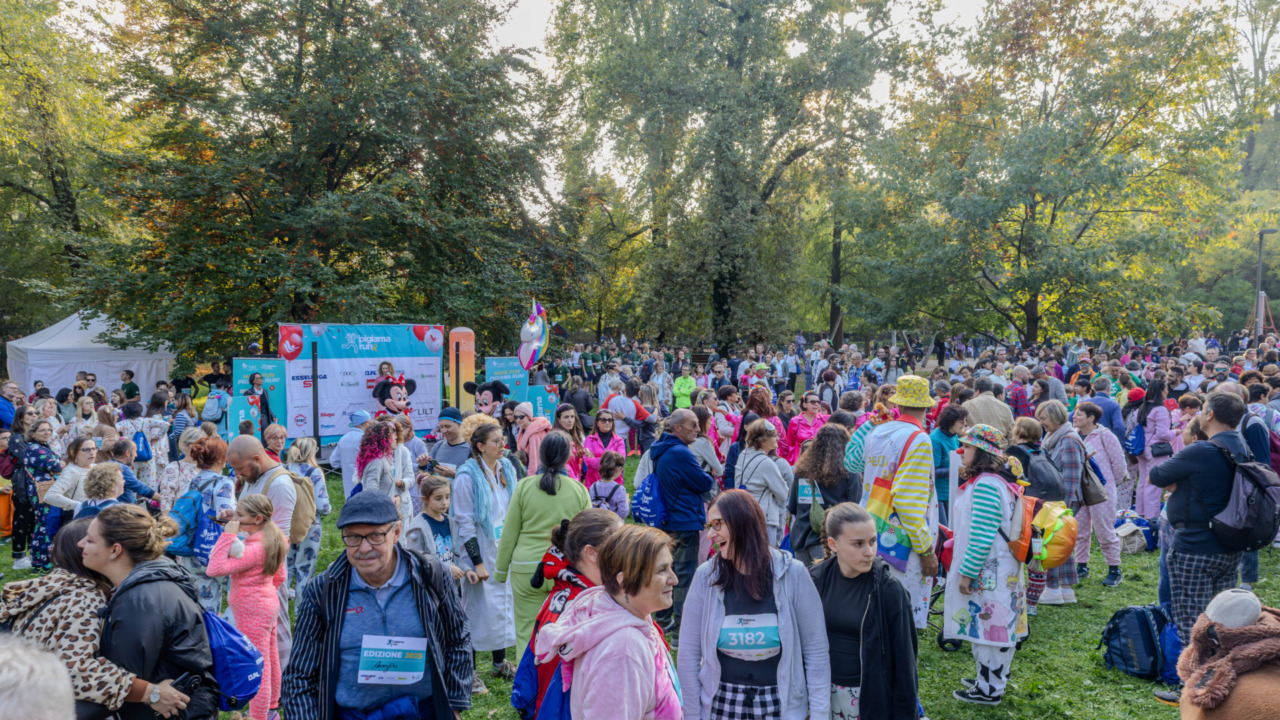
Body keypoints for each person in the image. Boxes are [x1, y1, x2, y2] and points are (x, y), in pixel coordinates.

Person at [281, 491, 474, 720]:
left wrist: (454, 705)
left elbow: (458, 639)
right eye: (352, 537)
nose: (363, 548)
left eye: (375, 536)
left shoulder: (431, 577)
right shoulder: (323, 591)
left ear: (397, 533)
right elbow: (299, 675)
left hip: (422, 713)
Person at [0, 518, 191, 716]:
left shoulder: (47, 585)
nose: (86, 544)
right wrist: (152, 693)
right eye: (88, 541)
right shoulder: (84, 598)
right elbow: (76, 672)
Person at [678, 489, 831, 719]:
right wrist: (692, 714)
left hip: (778, 704)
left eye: (717, 524)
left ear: (743, 522)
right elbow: (688, 654)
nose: (710, 534)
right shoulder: (706, 576)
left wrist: (819, 714)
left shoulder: (793, 574)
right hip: (722, 705)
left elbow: (816, 652)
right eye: (709, 526)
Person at [1149, 390, 1250, 706]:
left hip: (1195, 547)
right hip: (1229, 544)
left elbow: (1156, 474)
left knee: (1194, 622)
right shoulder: (1242, 446)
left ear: (1208, 415)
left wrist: (1184, 478)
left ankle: (1193, 689)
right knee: (1220, 618)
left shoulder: (1203, 450)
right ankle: (1221, 680)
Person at [78, 504, 219, 719]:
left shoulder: (139, 602)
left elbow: (122, 682)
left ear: (115, 550)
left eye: (89, 540)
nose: (81, 544)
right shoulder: (152, 578)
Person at [534, 524, 681, 720]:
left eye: (670, 567)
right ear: (624, 580)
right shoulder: (623, 651)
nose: (674, 579)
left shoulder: (624, 612)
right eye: (661, 570)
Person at [944, 424, 1027, 706]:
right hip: (997, 569)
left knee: (990, 630)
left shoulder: (987, 486)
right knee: (995, 626)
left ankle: (989, 689)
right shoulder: (993, 481)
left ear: (981, 451)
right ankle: (990, 678)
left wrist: (967, 573)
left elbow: (982, 535)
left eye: (967, 446)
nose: (961, 450)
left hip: (988, 569)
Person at [512, 508, 623, 717]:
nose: (627, 553)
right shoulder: (585, 610)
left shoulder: (566, 588)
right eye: (619, 545)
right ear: (592, 553)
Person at [811, 503, 918, 719]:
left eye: (872, 541)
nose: (869, 552)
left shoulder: (889, 591)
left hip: (870, 697)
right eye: (858, 544)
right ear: (833, 544)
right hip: (821, 695)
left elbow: (906, 665)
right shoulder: (814, 580)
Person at [495, 431, 591, 655]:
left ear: (540, 454)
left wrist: (500, 571)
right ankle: (556, 686)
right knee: (565, 632)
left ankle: (526, 687)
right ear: (567, 457)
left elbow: (509, 533)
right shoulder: (579, 489)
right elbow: (588, 535)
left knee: (527, 634)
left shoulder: (524, 487)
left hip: (525, 569)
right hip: (565, 569)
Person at [858, 375, 940, 629]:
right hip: (901, 540)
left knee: (876, 611)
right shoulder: (918, 438)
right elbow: (907, 499)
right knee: (899, 619)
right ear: (926, 408)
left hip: (870, 527)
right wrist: (926, 549)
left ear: (899, 404)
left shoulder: (878, 431)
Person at [206, 495, 287, 720]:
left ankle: (258, 716)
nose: (237, 519)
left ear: (258, 518)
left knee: (258, 666)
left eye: (241, 516)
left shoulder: (253, 549)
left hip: (252, 612)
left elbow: (214, 568)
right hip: (268, 605)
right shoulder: (274, 537)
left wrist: (229, 534)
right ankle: (271, 709)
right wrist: (264, 589)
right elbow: (280, 575)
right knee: (270, 658)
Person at [452, 423, 518, 692]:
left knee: (500, 607)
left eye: (503, 439)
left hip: (503, 548)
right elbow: (465, 524)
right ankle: (469, 672)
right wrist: (477, 563)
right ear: (480, 446)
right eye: (496, 441)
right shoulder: (467, 477)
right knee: (477, 610)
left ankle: (499, 663)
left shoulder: (507, 469)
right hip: (478, 550)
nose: (502, 445)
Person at [227, 435, 297, 668]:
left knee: (276, 628)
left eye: (240, 468)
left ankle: (284, 681)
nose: (238, 474)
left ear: (257, 458)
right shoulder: (253, 476)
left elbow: (280, 540)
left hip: (267, 572)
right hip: (250, 569)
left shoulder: (279, 484)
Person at [649, 408, 716, 644]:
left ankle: (664, 620)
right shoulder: (680, 452)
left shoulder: (662, 448)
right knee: (683, 576)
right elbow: (703, 481)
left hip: (668, 518)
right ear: (677, 428)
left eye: (698, 423)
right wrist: (706, 475)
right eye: (693, 424)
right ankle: (680, 632)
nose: (698, 428)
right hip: (684, 520)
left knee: (665, 572)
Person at [172, 437, 236, 613]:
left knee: (205, 605)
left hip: (194, 552)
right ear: (221, 458)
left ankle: (208, 637)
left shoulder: (190, 484)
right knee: (236, 597)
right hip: (216, 551)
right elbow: (225, 517)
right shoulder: (222, 482)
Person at [787, 425, 860, 565]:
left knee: (805, 585)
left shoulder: (802, 470)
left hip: (799, 539)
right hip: (828, 541)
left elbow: (792, 507)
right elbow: (854, 509)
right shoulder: (849, 471)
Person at [1034, 400, 1083, 605]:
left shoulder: (1068, 440)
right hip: (1059, 502)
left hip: (1062, 502)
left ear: (1055, 417)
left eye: (1043, 418)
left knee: (1052, 543)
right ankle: (1065, 588)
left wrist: (1061, 508)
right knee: (1062, 544)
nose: (1041, 422)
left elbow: (1072, 477)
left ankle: (1053, 589)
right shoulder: (1056, 437)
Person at [1072, 402, 1125, 587]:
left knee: (1105, 530)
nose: (1074, 416)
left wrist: (1109, 484)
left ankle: (1114, 569)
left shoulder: (1105, 435)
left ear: (1091, 418)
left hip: (1102, 492)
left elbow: (1119, 465)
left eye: (1078, 414)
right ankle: (1081, 566)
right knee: (1080, 530)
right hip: (1079, 491)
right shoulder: (1073, 435)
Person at [284, 436, 332, 597]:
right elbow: (322, 505)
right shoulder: (314, 472)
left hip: (286, 524)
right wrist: (328, 509)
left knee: (286, 568)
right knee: (304, 569)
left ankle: (279, 612)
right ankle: (301, 613)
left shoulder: (283, 469)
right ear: (311, 452)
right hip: (310, 525)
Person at [736, 419, 793, 546]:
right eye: (774, 435)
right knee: (765, 560)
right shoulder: (766, 463)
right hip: (764, 519)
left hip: (743, 514)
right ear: (763, 440)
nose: (777, 438)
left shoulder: (742, 456)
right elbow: (783, 494)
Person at [25, 418, 64, 571]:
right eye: (42, 430)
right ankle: (46, 562)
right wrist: (63, 463)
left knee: (42, 524)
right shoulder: (35, 448)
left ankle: (40, 561)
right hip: (43, 491)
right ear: (33, 433)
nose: (47, 432)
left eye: (49, 429)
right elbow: (56, 465)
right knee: (45, 524)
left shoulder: (41, 446)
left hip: (44, 490)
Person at [1135, 379, 1175, 523]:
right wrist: (1175, 432)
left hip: (1140, 447)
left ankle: (1140, 513)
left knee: (1142, 481)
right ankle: (1151, 518)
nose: (1167, 392)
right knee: (1153, 483)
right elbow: (1163, 434)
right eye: (1165, 389)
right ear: (1160, 391)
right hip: (1156, 449)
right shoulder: (1160, 409)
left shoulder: (1143, 407)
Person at [929, 403, 969, 525]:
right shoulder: (935, 439)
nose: (965, 424)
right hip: (939, 495)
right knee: (943, 531)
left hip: (952, 491)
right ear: (950, 421)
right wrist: (956, 470)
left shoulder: (954, 436)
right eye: (961, 422)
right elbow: (932, 472)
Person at [42, 435, 96, 516]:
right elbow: (49, 496)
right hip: (77, 519)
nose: (92, 452)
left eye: (94, 448)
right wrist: (80, 506)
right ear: (74, 453)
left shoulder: (96, 467)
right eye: (86, 450)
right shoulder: (72, 471)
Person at [155, 427, 205, 513]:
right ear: (184, 445)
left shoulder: (209, 467)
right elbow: (166, 500)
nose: (201, 449)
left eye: (204, 445)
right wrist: (169, 523)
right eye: (196, 445)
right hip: (181, 520)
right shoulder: (174, 468)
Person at [330, 409, 373, 496]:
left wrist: (347, 465)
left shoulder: (343, 439)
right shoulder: (366, 439)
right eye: (370, 422)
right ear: (365, 423)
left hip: (348, 485)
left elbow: (333, 461)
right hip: (366, 482)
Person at [583, 409, 626, 487]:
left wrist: (596, 459)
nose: (607, 422)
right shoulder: (589, 439)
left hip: (614, 482)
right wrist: (611, 459)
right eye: (603, 420)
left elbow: (620, 460)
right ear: (597, 422)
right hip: (594, 482)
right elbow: (588, 461)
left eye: (610, 420)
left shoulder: (619, 440)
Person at [355, 420, 398, 497]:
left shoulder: (383, 458)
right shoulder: (377, 462)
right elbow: (370, 493)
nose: (396, 437)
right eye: (393, 434)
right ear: (384, 438)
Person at [784, 391, 828, 463]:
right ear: (804, 404)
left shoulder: (824, 419)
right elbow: (789, 444)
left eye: (818, 402)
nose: (816, 404)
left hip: (820, 460)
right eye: (813, 402)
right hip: (800, 461)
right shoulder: (795, 421)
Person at [514, 401, 553, 475]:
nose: (518, 420)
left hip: (538, 474)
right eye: (516, 417)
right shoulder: (524, 428)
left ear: (529, 417)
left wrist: (530, 479)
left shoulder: (534, 434)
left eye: (521, 417)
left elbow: (535, 461)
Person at [589, 450, 630, 519]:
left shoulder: (593, 486)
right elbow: (623, 512)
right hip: (613, 525)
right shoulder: (619, 489)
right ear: (618, 469)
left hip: (596, 522)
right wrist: (626, 502)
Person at [552, 403, 587, 481]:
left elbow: (572, 461)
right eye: (566, 417)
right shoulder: (558, 438)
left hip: (574, 478)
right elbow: (561, 463)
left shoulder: (572, 435)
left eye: (572, 416)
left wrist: (578, 455)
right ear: (558, 419)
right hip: (565, 480)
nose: (570, 420)